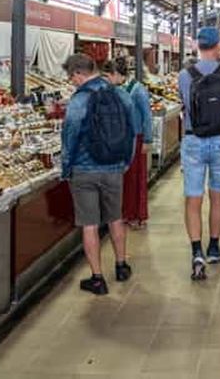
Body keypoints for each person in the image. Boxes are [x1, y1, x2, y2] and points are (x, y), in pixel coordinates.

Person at [61, 54, 137, 295]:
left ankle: (97, 278)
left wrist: (66, 168)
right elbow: (131, 131)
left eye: (71, 77)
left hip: (84, 171)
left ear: (78, 73)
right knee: (115, 218)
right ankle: (121, 266)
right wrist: (125, 162)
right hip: (114, 167)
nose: (72, 82)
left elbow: (70, 135)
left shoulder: (79, 99)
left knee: (90, 225)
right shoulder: (120, 94)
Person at [178, 27, 220, 280]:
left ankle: (196, 252)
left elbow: (185, 105)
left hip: (193, 139)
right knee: (217, 195)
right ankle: (214, 246)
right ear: (217, 46)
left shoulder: (185, 75)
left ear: (198, 46)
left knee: (193, 199)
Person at [102, 57, 152, 228]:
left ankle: (138, 215)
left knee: (136, 178)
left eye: (109, 76)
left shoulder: (138, 90)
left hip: (136, 138)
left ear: (117, 74)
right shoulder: (117, 89)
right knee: (126, 178)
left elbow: (147, 116)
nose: (108, 79)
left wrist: (147, 139)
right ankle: (126, 212)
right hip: (122, 139)